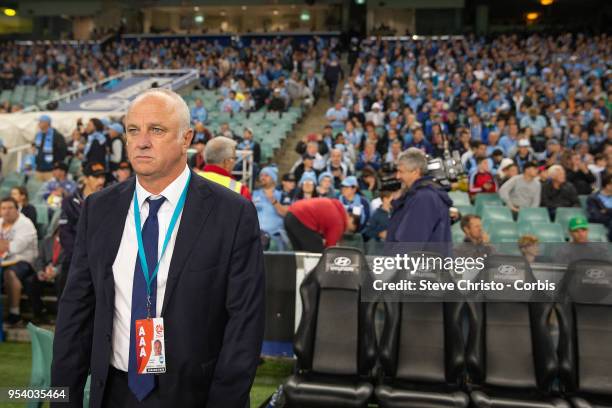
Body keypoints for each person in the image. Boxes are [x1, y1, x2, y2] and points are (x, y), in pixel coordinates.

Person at [51, 88, 264, 407]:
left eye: (157, 130)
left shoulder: (232, 213)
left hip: (193, 395)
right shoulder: (98, 209)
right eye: (133, 130)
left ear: (186, 138)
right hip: (113, 392)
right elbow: (76, 312)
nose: (142, 141)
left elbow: (244, 325)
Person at [57, 162, 107, 297]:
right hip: (75, 257)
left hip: (101, 259)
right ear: (85, 178)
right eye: (96, 177)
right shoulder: (70, 201)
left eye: (103, 177)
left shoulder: (109, 200)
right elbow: (65, 233)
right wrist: (80, 255)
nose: (101, 181)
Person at [386, 148, 453, 243]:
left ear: (416, 172)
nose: (398, 176)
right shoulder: (416, 195)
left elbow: (411, 243)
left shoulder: (425, 198)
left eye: (401, 171)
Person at [0, 196, 39, 326]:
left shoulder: (25, 223)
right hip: (4, 261)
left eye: (10, 208)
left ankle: (14, 314)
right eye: (3, 208)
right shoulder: (0, 222)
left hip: (25, 262)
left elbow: (16, 247)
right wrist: (6, 244)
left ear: (17, 209)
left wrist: (6, 244)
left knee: (10, 273)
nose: (7, 211)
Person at [285, 197, 359, 252]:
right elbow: (330, 248)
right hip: (301, 218)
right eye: (349, 230)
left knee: (299, 253)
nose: (346, 231)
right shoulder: (339, 223)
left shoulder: (333, 206)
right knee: (317, 253)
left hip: (290, 214)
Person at [198, 136, 252, 200]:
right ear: (227, 162)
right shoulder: (240, 190)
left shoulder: (189, 181)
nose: (235, 162)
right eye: (235, 158)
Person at [252, 167, 289, 251]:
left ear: (274, 179)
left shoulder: (283, 194)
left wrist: (272, 199)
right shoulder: (254, 193)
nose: (263, 177)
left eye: (266, 175)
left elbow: (285, 213)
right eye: (261, 175)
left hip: (275, 237)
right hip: (256, 236)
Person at [33, 115, 67, 181]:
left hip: (51, 170)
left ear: (46, 123)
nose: (39, 124)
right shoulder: (38, 135)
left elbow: (63, 150)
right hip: (39, 168)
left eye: (40, 122)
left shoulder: (56, 135)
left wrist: (57, 163)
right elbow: (36, 145)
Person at [586, 173, 612, 241]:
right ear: (607, 185)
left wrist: (607, 211)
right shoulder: (593, 198)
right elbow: (596, 217)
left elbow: (604, 212)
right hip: (603, 224)